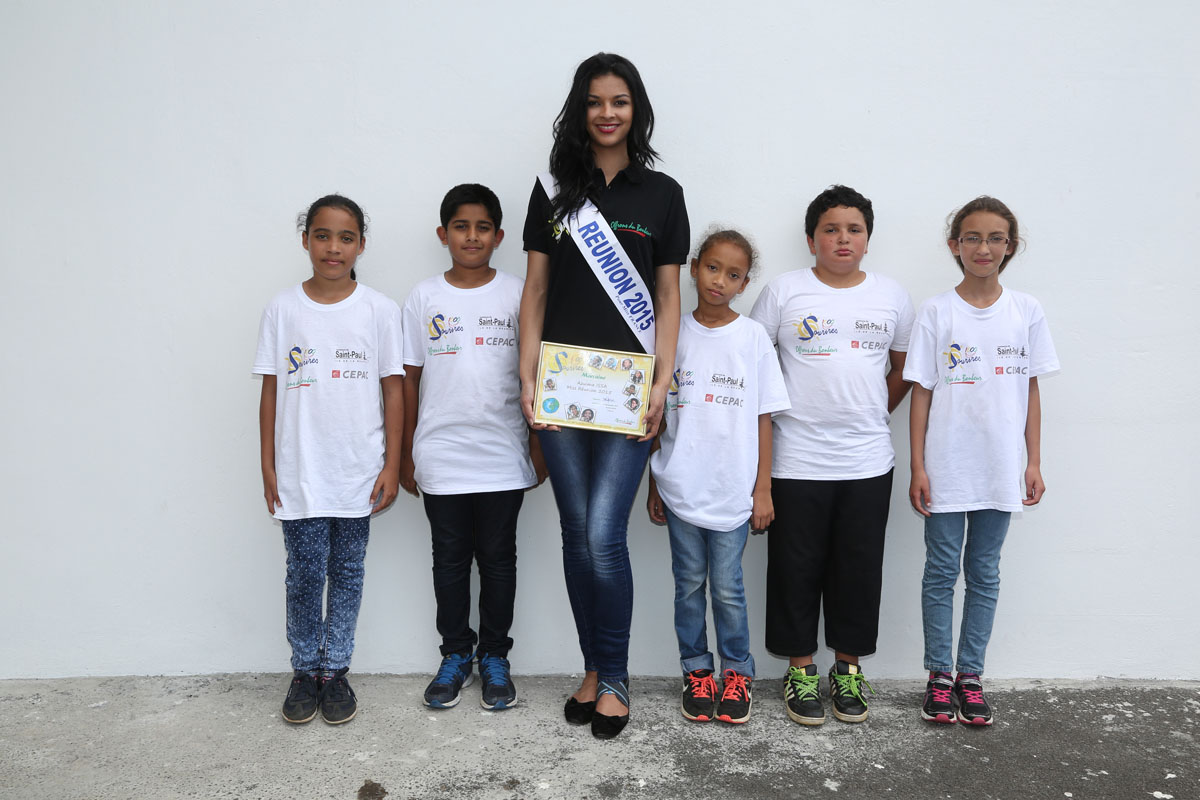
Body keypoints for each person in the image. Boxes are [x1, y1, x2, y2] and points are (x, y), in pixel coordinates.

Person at [519, 52, 690, 739]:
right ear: (579, 111)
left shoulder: (663, 194)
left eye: (619, 101)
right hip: (560, 389)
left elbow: (670, 297)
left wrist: (663, 380)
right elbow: (533, 291)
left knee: (600, 533)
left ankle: (614, 676)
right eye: (595, 102)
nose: (607, 113)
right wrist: (526, 377)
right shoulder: (552, 190)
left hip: (628, 393)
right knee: (573, 533)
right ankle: (593, 666)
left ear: (635, 109)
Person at [750, 185, 914, 726]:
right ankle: (800, 669)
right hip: (795, 460)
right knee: (795, 569)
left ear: (867, 239)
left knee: (858, 569)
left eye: (854, 229)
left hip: (868, 461)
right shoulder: (784, 292)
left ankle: (847, 668)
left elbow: (901, 369)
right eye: (831, 229)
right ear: (810, 238)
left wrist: (870, 410)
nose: (842, 238)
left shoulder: (891, 296)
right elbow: (754, 361)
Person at [906, 196, 1059, 726]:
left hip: (1000, 467)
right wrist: (919, 466)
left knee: (985, 573)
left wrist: (1032, 460)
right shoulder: (936, 311)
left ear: (1010, 247)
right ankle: (938, 677)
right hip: (947, 466)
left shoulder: (1027, 311)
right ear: (955, 246)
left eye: (996, 238)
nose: (984, 247)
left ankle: (971, 677)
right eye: (972, 237)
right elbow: (921, 393)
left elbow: (1031, 390)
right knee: (941, 572)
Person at [253, 194, 404, 725]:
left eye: (345, 237)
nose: (332, 247)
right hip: (299, 471)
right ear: (305, 240)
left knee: (346, 572)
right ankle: (303, 669)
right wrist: (269, 464)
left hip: (357, 470)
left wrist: (391, 464)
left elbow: (393, 392)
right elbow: (271, 391)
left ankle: (334, 670)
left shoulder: (381, 311)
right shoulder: (283, 309)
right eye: (322, 235)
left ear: (361, 244)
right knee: (302, 573)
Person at [400, 184, 545, 712]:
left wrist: (537, 444)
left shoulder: (518, 293)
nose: (472, 236)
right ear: (443, 234)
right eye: (461, 226)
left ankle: (495, 658)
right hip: (440, 455)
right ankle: (456, 654)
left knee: (500, 560)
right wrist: (404, 454)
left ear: (500, 236)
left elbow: (538, 376)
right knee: (449, 562)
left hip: (504, 456)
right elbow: (408, 380)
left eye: (483, 227)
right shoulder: (423, 297)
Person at [646, 229, 789, 725]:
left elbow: (764, 416)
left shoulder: (751, 338)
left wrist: (763, 489)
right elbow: (657, 415)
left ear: (744, 283)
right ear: (692, 267)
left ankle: (737, 674)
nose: (719, 280)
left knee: (727, 588)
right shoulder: (672, 333)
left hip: (732, 491)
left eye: (733, 274)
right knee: (688, 585)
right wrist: (653, 483)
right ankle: (696, 671)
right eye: (712, 267)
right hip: (680, 485)